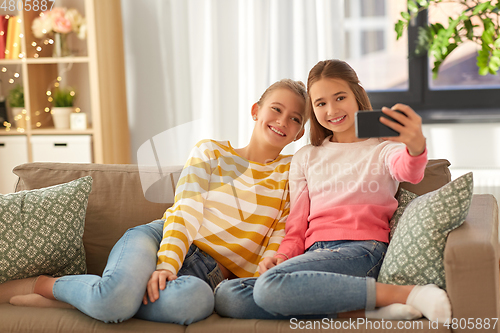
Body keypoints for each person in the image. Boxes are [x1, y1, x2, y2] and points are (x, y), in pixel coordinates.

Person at [7, 78, 309, 325]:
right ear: (256, 110)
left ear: (300, 133)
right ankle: (45, 285)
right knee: (114, 300)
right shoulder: (211, 152)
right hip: (160, 238)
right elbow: (186, 211)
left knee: (196, 302)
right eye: (276, 109)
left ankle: (94, 300)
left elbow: (281, 231)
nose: (283, 121)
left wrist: (263, 276)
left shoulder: (291, 171)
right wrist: (167, 264)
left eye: (295, 118)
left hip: (207, 277)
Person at [214, 59, 452, 323]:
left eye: (340, 97)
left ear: (357, 96)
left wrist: (416, 147)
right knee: (228, 294)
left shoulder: (384, 149)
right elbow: (296, 227)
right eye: (321, 103)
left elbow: (410, 171)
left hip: (362, 251)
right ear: (312, 110)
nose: (332, 109)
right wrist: (281, 256)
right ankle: (364, 311)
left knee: (270, 285)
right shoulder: (306, 157)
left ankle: (406, 294)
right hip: (315, 255)